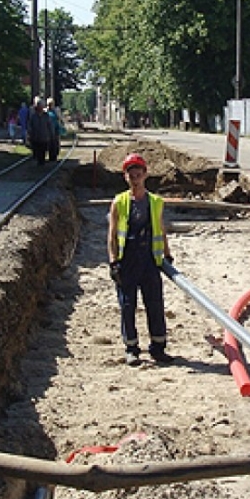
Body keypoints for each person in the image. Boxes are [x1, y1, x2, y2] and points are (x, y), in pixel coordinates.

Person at [107, 153, 174, 367]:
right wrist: (113, 262)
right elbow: (112, 235)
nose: (135, 178)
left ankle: (158, 347)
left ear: (145, 175)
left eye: (138, 174)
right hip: (128, 261)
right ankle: (131, 349)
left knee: (155, 304)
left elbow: (161, 229)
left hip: (149, 260)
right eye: (131, 175)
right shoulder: (119, 202)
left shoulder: (155, 202)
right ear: (125, 177)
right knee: (128, 306)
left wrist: (167, 254)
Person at [27, 97, 53, 165]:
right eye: (38, 106)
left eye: (41, 106)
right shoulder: (33, 116)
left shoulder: (46, 116)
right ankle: (39, 162)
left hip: (44, 137)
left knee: (43, 151)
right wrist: (29, 134)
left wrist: (51, 135)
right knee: (37, 151)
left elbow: (50, 126)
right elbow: (30, 125)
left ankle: (42, 162)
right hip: (35, 137)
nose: (40, 108)